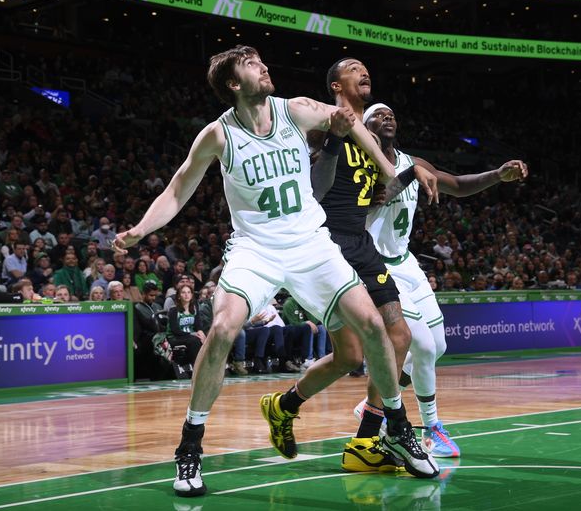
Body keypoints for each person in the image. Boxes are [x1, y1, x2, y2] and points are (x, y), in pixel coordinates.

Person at [112, 46, 439, 498]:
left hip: (311, 243)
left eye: (263, 60)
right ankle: (190, 445)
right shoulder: (218, 135)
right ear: (233, 84)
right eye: (251, 64)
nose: (264, 66)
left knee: (372, 324)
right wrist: (140, 230)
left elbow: (349, 120)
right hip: (256, 249)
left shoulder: (297, 110)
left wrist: (387, 170)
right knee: (223, 328)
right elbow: (176, 189)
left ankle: (399, 429)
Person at [265, 57, 441, 474]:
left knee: (370, 347)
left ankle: (292, 409)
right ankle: (375, 436)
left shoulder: (371, 140)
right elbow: (314, 190)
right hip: (324, 244)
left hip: (359, 243)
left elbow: (384, 189)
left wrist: (412, 173)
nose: (365, 72)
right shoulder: (318, 128)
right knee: (378, 339)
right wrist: (330, 143)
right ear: (335, 87)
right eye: (353, 68)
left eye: (367, 68)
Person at [361, 103, 527, 457]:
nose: (387, 116)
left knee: (438, 347)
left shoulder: (414, 161)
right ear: (364, 126)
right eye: (377, 115)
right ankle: (430, 429)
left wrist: (497, 175)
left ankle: (372, 403)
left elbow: (457, 185)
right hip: (375, 266)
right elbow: (378, 197)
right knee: (420, 345)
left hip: (405, 262)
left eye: (391, 113)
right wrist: (408, 175)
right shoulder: (361, 165)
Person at [166, 284, 204, 368]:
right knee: (195, 341)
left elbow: (198, 324)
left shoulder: (194, 308)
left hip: (190, 336)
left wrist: (201, 332)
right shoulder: (173, 310)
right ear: (179, 296)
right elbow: (175, 330)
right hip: (175, 337)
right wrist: (192, 334)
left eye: (188, 292)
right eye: (183, 292)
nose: (186, 294)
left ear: (192, 295)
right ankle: (196, 366)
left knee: (205, 339)